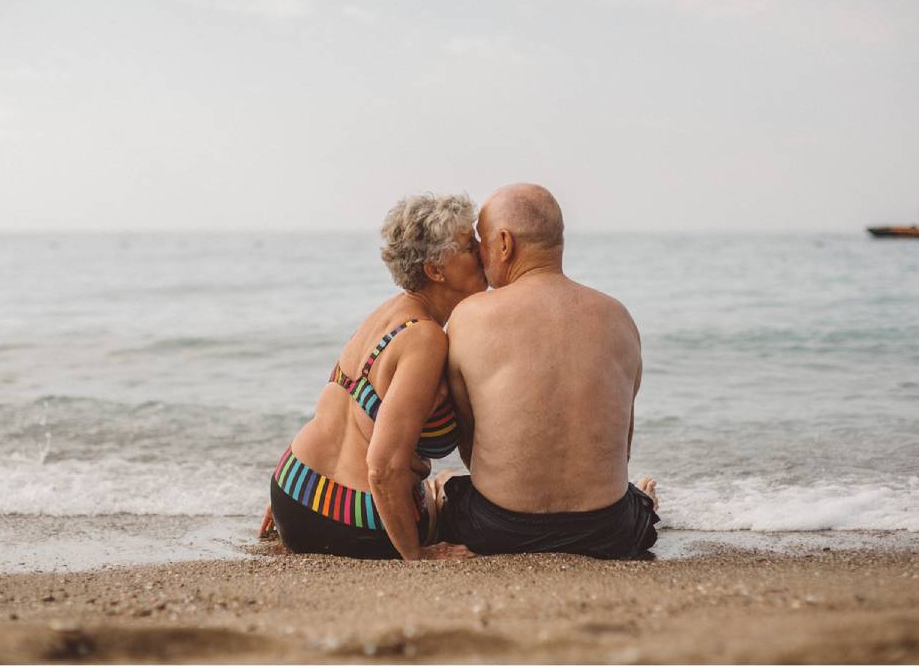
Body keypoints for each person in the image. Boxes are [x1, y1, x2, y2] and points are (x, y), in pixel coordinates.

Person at [437, 183, 660, 558]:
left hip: (498, 530)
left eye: (482, 241)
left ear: (504, 244)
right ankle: (644, 503)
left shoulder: (471, 316)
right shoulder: (618, 316)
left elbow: (470, 442)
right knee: (635, 498)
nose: (478, 253)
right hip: (611, 531)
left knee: (444, 484)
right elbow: (623, 443)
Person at [259, 193, 487, 560]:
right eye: (469, 246)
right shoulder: (425, 338)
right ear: (435, 269)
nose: (483, 251)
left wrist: (289, 501)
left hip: (291, 486)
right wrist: (416, 554)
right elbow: (383, 467)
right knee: (445, 489)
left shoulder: (388, 312)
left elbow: (335, 407)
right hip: (350, 521)